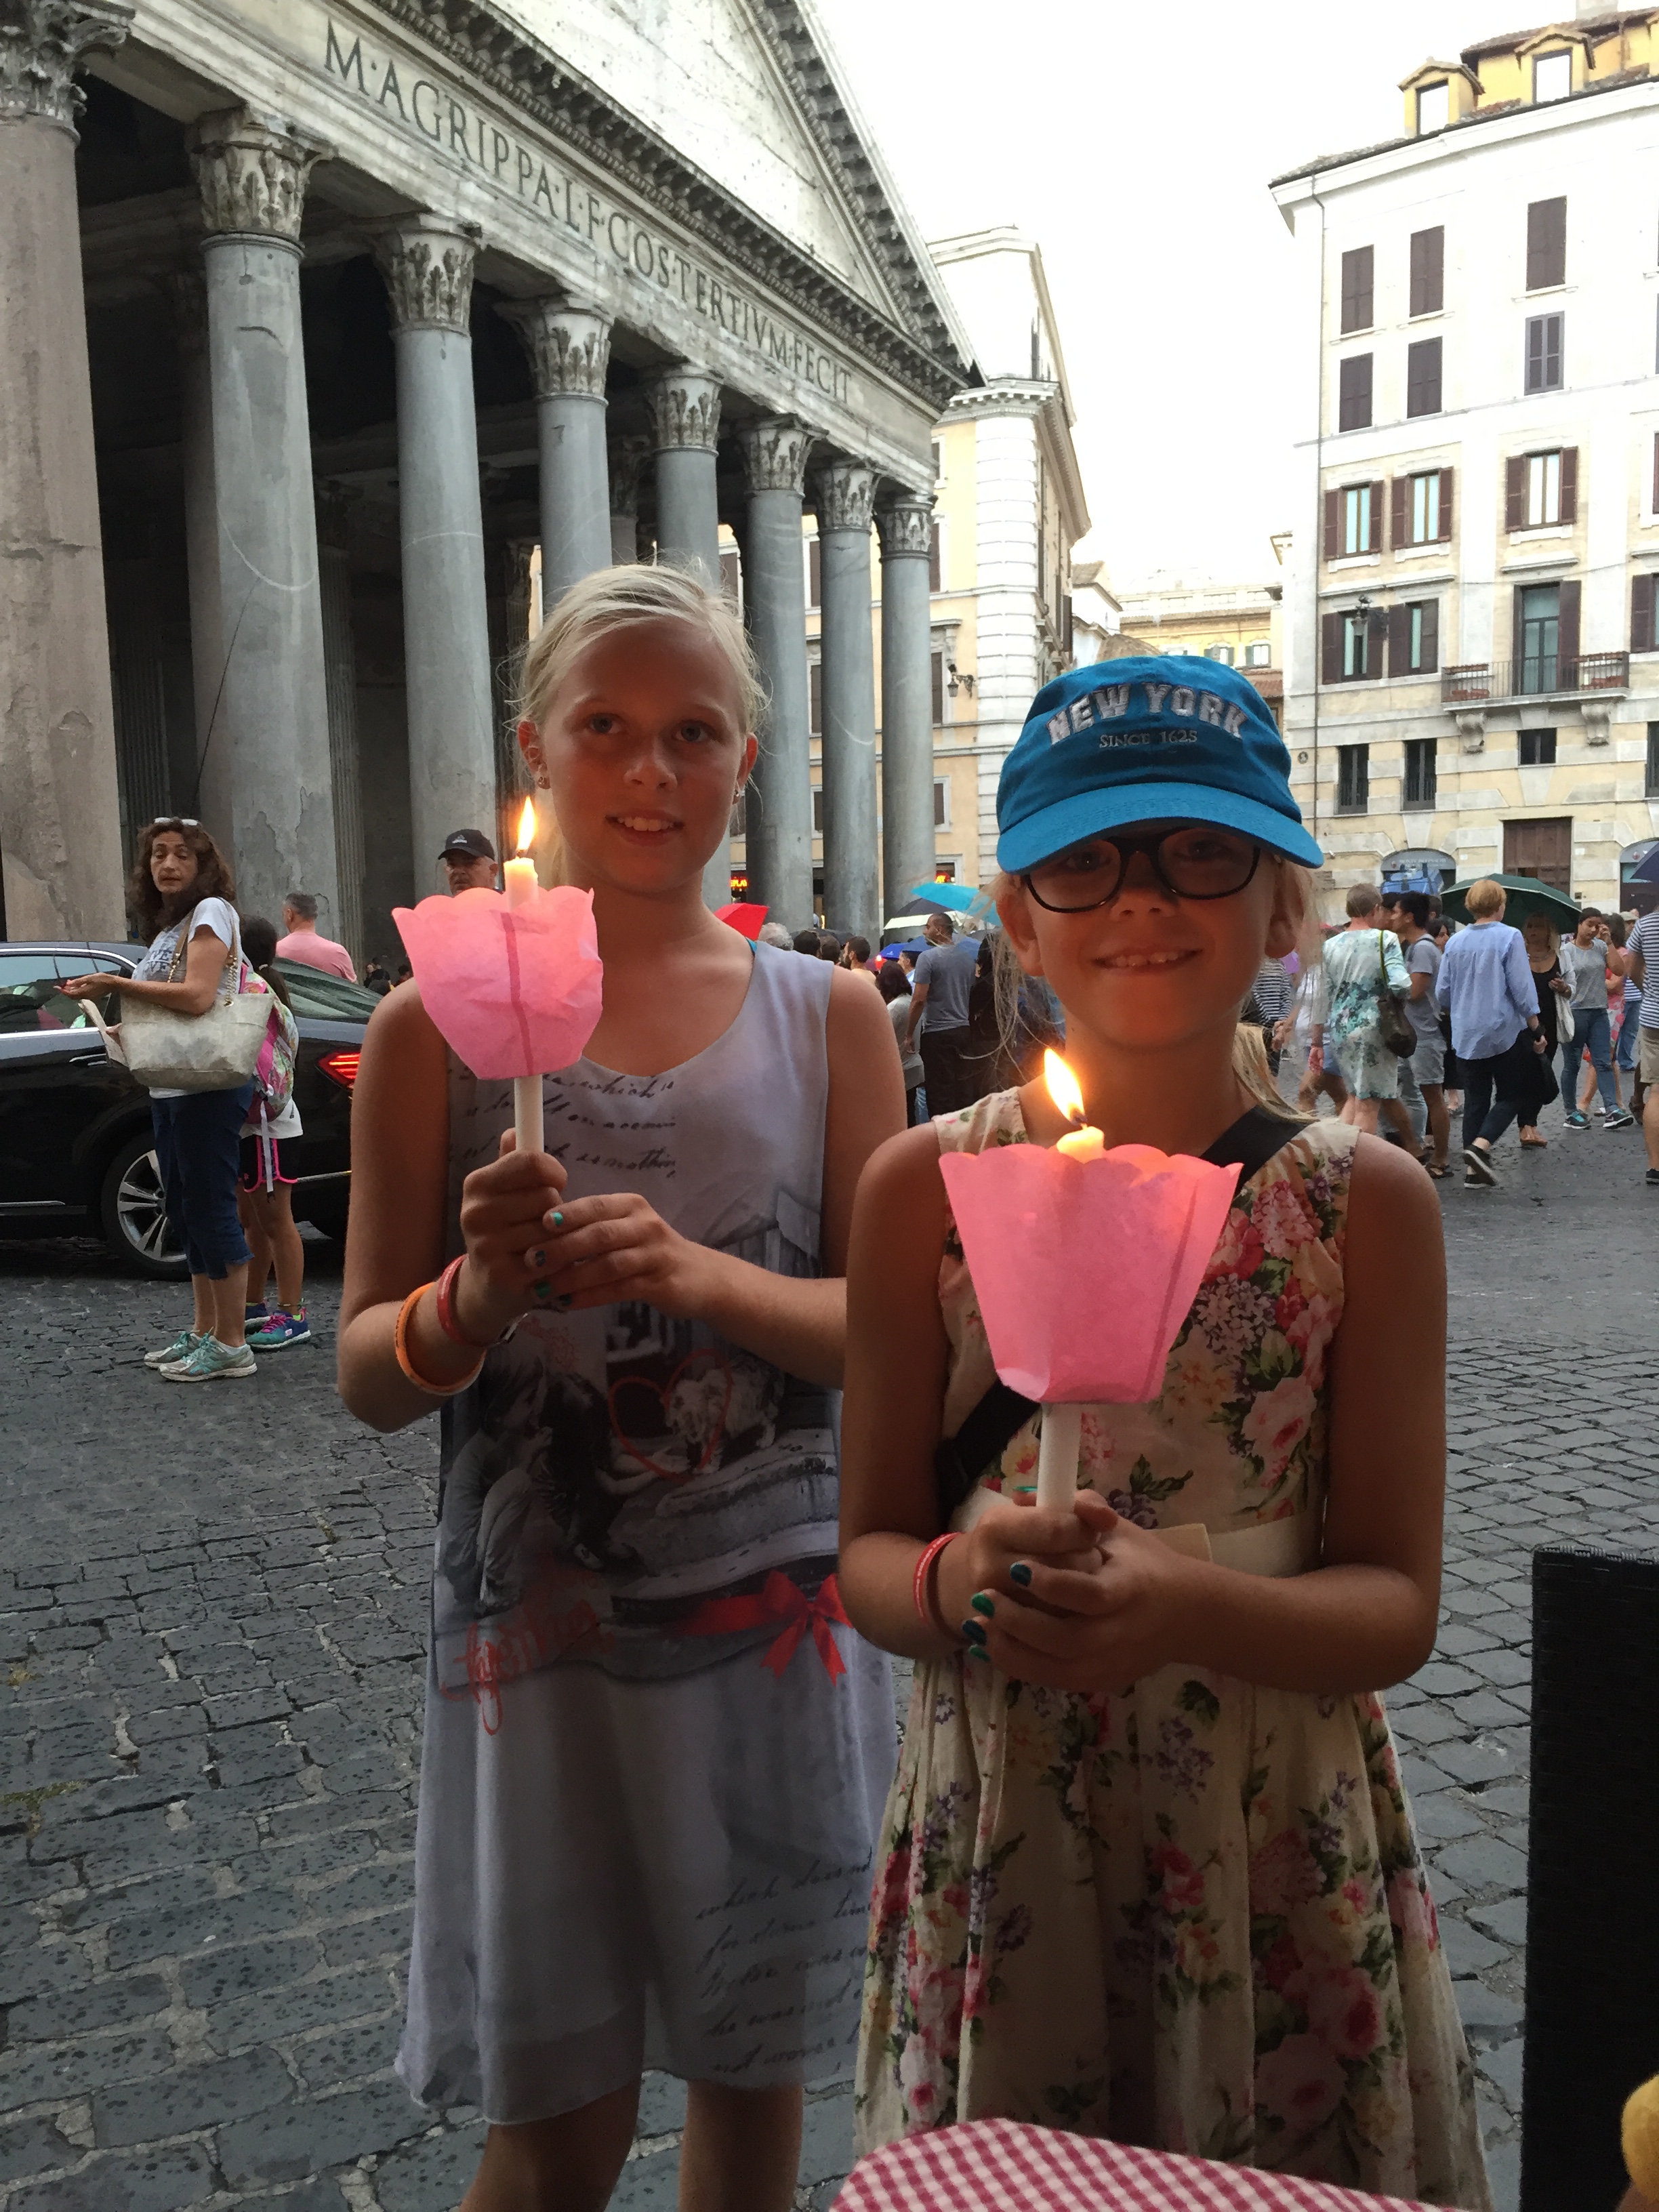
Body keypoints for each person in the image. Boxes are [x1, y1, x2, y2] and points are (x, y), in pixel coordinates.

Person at [838, 657, 1489, 2205]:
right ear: (1019, 916)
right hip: (1008, 1816)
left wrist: (1184, 1604)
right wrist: (954, 1581)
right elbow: (865, 1553)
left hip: (1264, 1826)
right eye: (1084, 858)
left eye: (1200, 851)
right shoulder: (919, 1190)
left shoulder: (1362, 1204)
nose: (1140, 895)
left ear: (1281, 906)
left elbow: (1393, 1601)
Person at [336, 564, 903, 2212]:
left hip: (776, 1638)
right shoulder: (431, 1029)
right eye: (606, 728)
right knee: (554, 2132)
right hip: (544, 1655)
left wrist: (695, 1277)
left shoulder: (830, 1017)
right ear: (536, 749)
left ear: (747, 760)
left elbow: (888, 1338)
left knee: (751, 2093)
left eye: (693, 733)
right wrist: (472, 1299)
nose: (651, 771)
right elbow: (370, 1372)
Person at [62, 819, 259, 1382]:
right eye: (158, 855)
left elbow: (197, 997)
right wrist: (128, 1029)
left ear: (204, 866)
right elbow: (172, 1008)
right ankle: (204, 1330)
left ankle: (233, 1343)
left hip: (208, 1086)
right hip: (174, 1082)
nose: (167, 865)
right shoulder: (172, 925)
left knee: (211, 1208)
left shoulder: (211, 912)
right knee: (184, 1207)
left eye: (181, 855)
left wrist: (116, 985)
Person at [1433, 878, 1547, 1187]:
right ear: (1500, 905)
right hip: (1502, 1030)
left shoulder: (1455, 942)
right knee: (1515, 1093)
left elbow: (1442, 993)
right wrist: (1536, 1026)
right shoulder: (1509, 936)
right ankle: (1480, 1146)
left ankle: (1474, 1173)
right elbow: (1522, 988)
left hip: (1466, 1032)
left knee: (1476, 1099)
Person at [235, 916, 310, 1351]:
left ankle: (293, 1312)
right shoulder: (259, 989)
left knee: (276, 1221)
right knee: (253, 1220)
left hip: (269, 1125)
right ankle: (253, 1306)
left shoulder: (254, 993)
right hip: (253, 1123)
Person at [1309, 884, 1410, 1139]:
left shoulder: (1330, 945)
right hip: (1374, 1028)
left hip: (1341, 1029)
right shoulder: (1384, 940)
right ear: (1375, 909)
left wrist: (1317, 1041)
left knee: (1354, 1096)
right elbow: (1401, 984)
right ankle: (1356, 1159)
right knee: (1368, 1104)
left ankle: (1336, 1154)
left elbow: (1322, 997)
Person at [1387, 893, 1452, 1174]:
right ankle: (1413, 1147)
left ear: (1409, 917)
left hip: (1425, 1034)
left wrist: (1390, 983)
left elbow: (1414, 992)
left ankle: (1441, 1158)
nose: (1392, 916)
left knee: (1433, 1096)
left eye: (1396, 911)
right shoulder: (1414, 948)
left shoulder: (1423, 949)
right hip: (1415, 1033)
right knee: (1399, 1092)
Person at [1559, 909, 1634, 1130]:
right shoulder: (1567, 951)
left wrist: (1609, 942)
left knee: (1603, 1062)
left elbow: (1619, 970)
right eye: (1590, 924)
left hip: (1599, 1012)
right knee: (1572, 1065)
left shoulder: (1601, 947)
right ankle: (1571, 1112)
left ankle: (1612, 1109)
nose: (1593, 929)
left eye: (1598, 925)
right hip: (1575, 1012)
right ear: (1579, 925)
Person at [904, 912, 982, 1119]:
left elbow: (919, 999)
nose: (924, 932)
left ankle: (943, 1134)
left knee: (939, 1094)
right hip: (964, 1031)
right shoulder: (967, 959)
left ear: (939, 930)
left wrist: (909, 1034)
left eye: (928, 927)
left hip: (937, 1033)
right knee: (963, 1090)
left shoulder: (927, 958)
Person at [1516, 914, 1571, 1149]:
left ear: (1549, 931)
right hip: (1521, 1025)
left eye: (1538, 927)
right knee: (1524, 1074)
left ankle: (1531, 1123)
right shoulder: (1517, 956)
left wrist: (1563, 988)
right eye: (1529, 926)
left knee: (1541, 1072)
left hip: (1550, 1023)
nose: (1533, 931)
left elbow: (1572, 991)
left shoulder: (1562, 957)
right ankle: (1525, 1126)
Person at [1626, 901, 1659, 1187]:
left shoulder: (1645, 925)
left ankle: (1655, 1166)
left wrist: (1650, 993)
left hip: (1654, 1018)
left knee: (1657, 1092)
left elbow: (1632, 969)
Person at [878, 959, 924, 1124]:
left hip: (901, 1068)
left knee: (900, 1117)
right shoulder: (910, 1002)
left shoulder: (894, 1008)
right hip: (914, 1065)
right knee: (910, 1112)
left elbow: (881, 1037)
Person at [275, 891, 356, 981]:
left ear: (289, 914)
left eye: (283, 914)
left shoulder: (275, 952)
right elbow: (354, 989)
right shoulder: (338, 953)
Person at [440, 827, 499, 893]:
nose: (459, 871)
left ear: (493, 870)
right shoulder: (439, 899)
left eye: (469, 863)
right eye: (452, 864)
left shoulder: (505, 899)